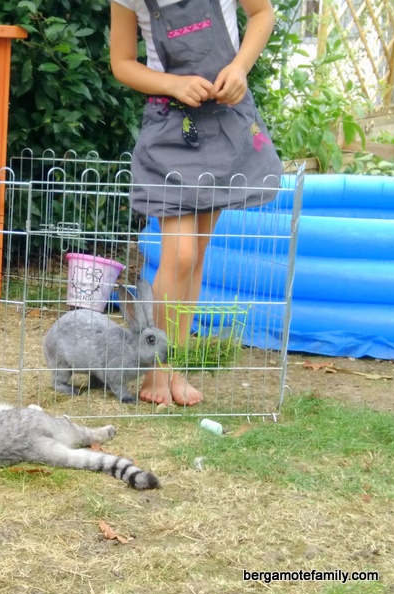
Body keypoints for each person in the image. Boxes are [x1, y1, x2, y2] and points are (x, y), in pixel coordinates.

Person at [109, 0, 284, 406]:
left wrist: (239, 67)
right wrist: (172, 83)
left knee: (198, 253)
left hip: (224, 122)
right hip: (171, 126)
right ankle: (156, 369)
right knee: (181, 255)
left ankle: (176, 367)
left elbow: (263, 13)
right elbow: (122, 62)